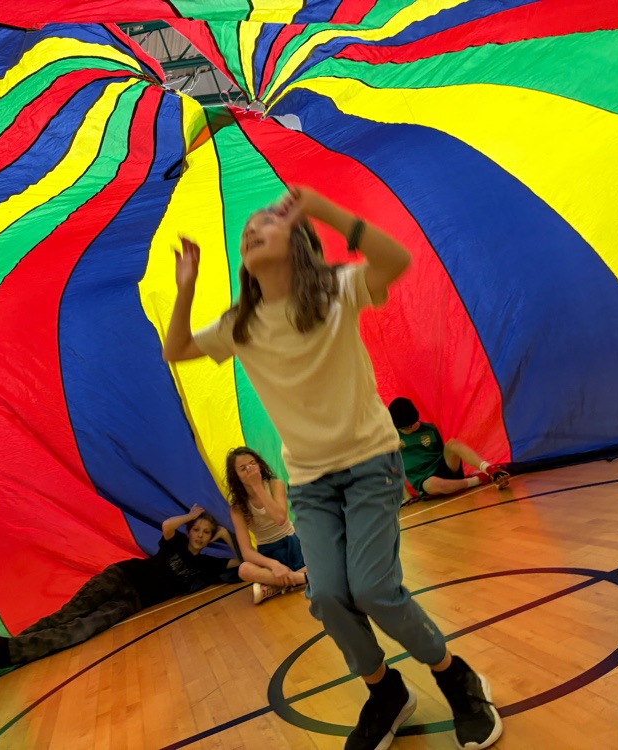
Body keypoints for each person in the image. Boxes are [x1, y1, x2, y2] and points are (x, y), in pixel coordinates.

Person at [162, 186, 503, 750]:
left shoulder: (336, 291)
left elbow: (396, 260)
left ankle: (456, 677)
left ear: (298, 241)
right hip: (310, 482)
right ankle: (385, 692)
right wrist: (186, 289)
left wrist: (322, 209)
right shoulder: (241, 324)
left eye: (266, 223)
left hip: (370, 463)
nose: (252, 231)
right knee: (325, 595)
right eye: (247, 232)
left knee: (373, 589)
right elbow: (176, 349)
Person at [0, 506, 237, 678]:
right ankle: (3, 648)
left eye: (206, 533)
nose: (200, 535)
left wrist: (225, 536)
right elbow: (168, 525)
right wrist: (191, 516)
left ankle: (1, 649)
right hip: (120, 576)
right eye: (197, 530)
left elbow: (239, 561)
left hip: (131, 602)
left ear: (210, 537)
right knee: (67, 615)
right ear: (189, 532)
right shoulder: (176, 541)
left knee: (82, 629)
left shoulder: (205, 563)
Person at [224, 446, 307, 604]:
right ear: (236, 476)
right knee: (244, 569)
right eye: (243, 468)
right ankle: (301, 578)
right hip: (267, 552)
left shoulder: (275, 485)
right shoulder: (237, 508)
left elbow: (280, 519)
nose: (250, 470)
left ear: (259, 465)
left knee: (324, 553)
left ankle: (275, 585)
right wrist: (273, 565)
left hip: (291, 542)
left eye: (252, 464)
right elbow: (247, 552)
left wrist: (257, 487)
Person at [388, 397, 509, 500]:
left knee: (452, 443)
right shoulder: (393, 438)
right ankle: (477, 480)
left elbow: (442, 452)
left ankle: (488, 468)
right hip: (425, 481)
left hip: (444, 469)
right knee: (431, 485)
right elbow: (393, 467)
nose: (404, 430)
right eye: (401, 428)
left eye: (407, 427)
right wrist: (407, 496)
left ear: (414, 419)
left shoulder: (429, 429)